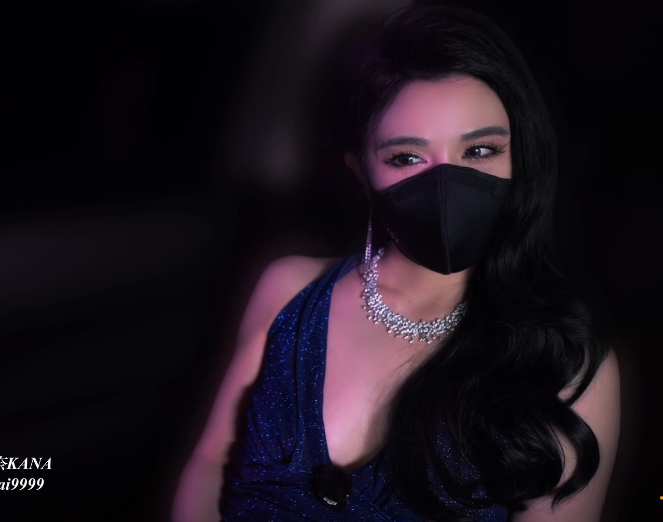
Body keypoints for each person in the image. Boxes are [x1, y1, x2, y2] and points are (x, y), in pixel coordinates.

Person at [172, 5, 620, 522]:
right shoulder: (288, 288)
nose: (446, 186)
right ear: (361, 174)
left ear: (520, 158)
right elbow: (210, 462)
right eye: (407, 157)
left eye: (479, 150)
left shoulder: (566, 366)